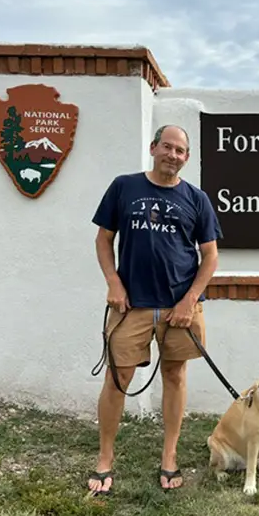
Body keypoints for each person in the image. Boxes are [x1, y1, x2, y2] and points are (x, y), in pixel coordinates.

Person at [87, 124, 222, 495]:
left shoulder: (197, 199)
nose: (173, 155)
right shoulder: (124, 187)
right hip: (132, 306)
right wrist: (113, 282)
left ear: (187, 158)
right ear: (153, 148)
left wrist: (189, 300)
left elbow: (209, 256)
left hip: (181, 308)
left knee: (176, 377)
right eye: (167, 147)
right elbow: (103, 239)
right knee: (118, 380)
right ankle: (104, 458)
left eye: (180, 151)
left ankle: (169, 456)